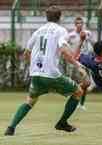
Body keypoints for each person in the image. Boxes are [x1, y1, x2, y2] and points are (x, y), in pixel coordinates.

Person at [4, 6, 86, 136]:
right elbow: (64, 50)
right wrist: (78, 66)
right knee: (78, 92)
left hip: (36, 74)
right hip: (51, 74)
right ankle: (62, 123)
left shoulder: (38, 31)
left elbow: (27, 52)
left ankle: (10, 128)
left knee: (30, 101)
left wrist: (32, 66)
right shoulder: (61, 30)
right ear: (60, 17)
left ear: (46, 17)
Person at [66, 16, 96, 111]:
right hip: (74, 61)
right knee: (73, 82)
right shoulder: (71, 35)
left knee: (85, 83)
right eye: (77, 23)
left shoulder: (87, 33)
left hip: (84, 61)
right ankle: (72, 100)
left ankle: (81, 104)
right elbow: (64, 46)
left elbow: (94, 44)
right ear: (75, 25)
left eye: (81, 23)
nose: (79, 25)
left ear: (83, 24)